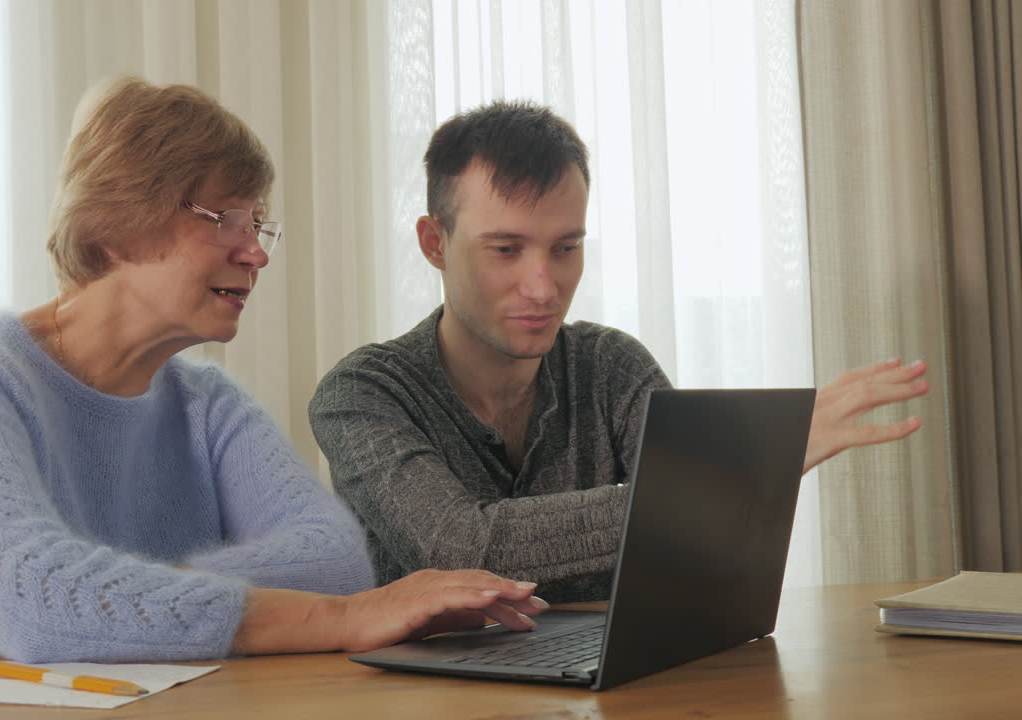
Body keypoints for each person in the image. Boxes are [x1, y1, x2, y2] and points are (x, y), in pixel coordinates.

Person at [0, 79, 547, 664]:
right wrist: (341, 620)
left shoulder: (206, 403)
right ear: (116, 220)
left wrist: (111, 602)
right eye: (227, 218)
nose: (257, 252)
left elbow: (332, 558)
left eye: (258, 225)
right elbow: (26, 598)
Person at [309, 101, 930, 603]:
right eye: (505, 249)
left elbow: (706, 549)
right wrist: (742, 469)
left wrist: (725, 486)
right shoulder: (361, 394)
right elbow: (465, 551)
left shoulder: (613, 367)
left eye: (565, 247)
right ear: (434, 242)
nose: (544, 286)